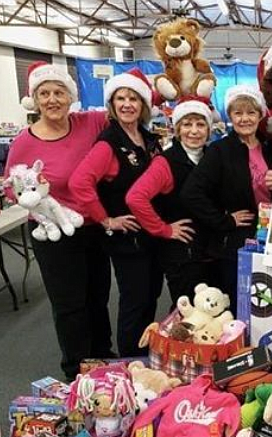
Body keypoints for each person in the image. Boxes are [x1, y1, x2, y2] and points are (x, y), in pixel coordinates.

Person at [5, 61, 113, 381]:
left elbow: (124, 105)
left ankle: (102, 358)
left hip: (91, 227)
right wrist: (37, 201)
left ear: (70, 96)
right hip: (52, 233)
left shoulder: (89, 123)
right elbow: (13, 191)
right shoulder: (24, 142)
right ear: (34, 100)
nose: (52, 99)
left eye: (59, 92)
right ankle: (77, 369)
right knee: (69, 305)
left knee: (98, 297)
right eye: (44, 93)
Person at [69, 68, 163, 357]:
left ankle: (144, 355)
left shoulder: (147, 138)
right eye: (120, 98)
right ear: (111, 104)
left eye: (133, 98)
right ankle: (129, 361)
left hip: (150, 233)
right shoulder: (108, 143)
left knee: (150, 297)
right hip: (127, 239)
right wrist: (105, 219)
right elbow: (79, 182)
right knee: (134, 301)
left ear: (143, 105)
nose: (127, 104)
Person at [181, 85, 272, 314]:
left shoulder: (270, 147)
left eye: (251, 112)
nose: (245, 119)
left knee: (266, 297)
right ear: (230, 116)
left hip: (270, 234)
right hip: (236, 241)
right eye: (238, 113)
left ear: (260, 114)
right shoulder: (220, 150)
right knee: (236, 298)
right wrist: (224, 220)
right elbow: (191, 193)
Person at [126, 96, 215, 304]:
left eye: (200, 124)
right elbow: (135, 198)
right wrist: (163, 229)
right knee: (187, 310)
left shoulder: (211, 157)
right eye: (187, 124)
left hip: (207, 249)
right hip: (181, 254)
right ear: (177, 129)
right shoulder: (165, 163)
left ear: (209, 130)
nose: (194, 131)